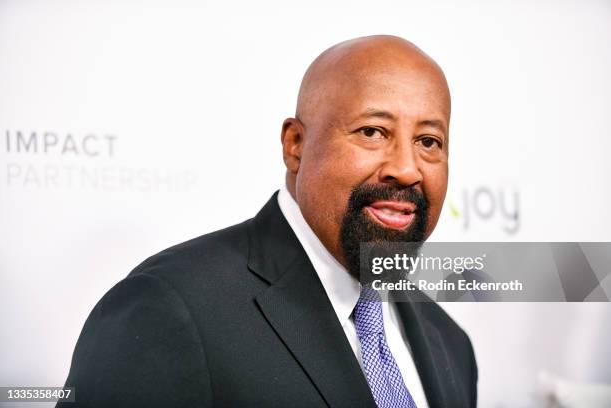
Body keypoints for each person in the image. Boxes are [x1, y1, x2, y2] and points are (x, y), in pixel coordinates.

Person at [58, 35, 477, 408]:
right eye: (372, 132)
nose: (406, 169)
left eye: (428, 142)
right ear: (295, 145)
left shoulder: (452, 346)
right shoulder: (167, 310)